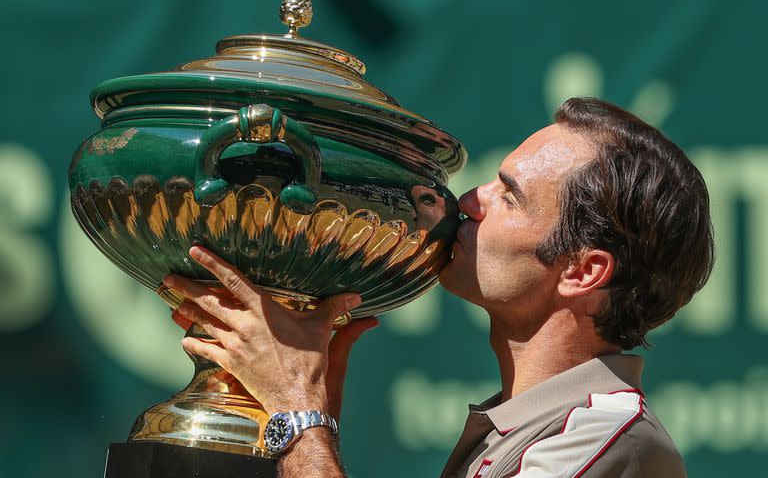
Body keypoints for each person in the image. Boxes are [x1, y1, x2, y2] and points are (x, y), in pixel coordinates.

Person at [164, 97, 714, 477]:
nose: (470, 201)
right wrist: (310, 402)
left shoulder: (602, 440)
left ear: (582, 272)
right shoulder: (534, 424)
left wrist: (297, 405)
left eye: (509, 195)